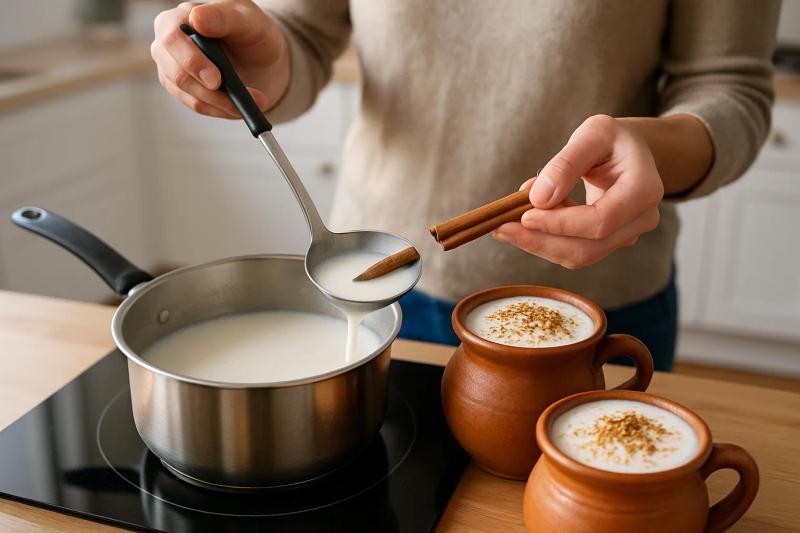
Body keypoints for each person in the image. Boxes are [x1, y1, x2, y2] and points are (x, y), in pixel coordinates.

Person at [151, 0, 780, 371]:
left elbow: (729, 86)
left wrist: (658, 152)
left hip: (591, 305)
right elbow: (306, 35)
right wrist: (261, 62)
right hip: (375, 289)